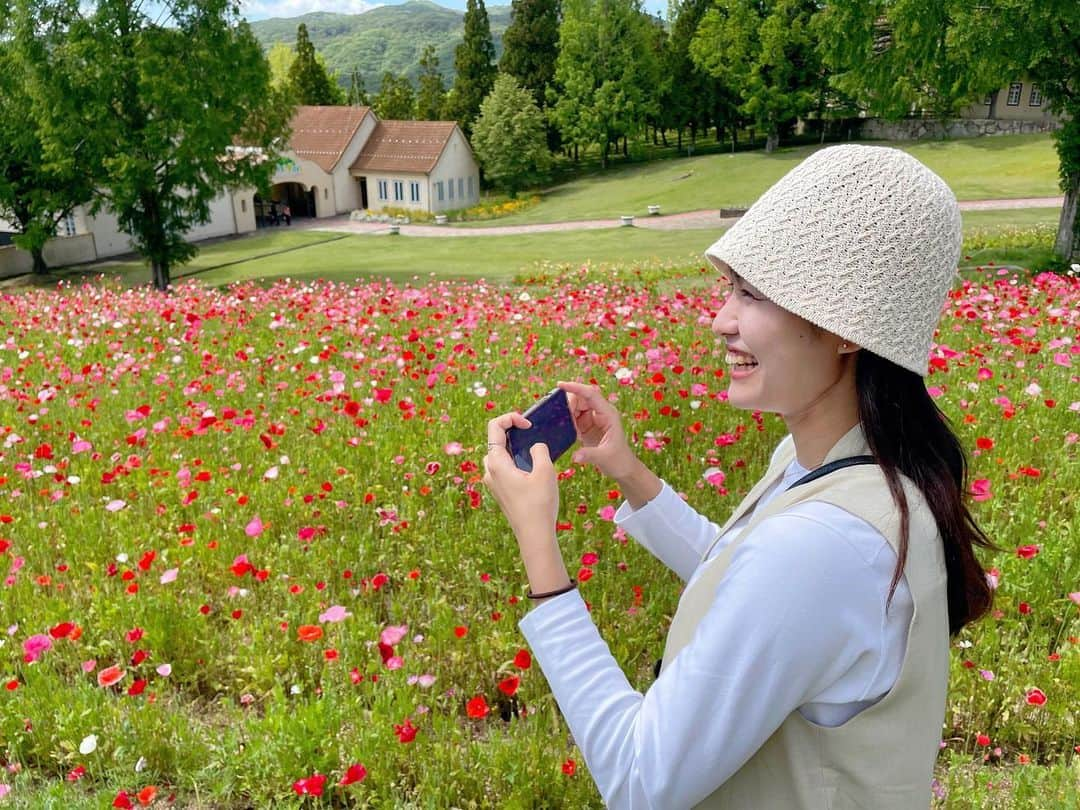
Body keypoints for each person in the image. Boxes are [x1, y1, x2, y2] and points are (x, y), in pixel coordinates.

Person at [482, 145, 995, 809]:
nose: (721, 320)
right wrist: (629, 473)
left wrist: (538, 549)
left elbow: (640, 779)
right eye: (730, 289)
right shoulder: (853, 465)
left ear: (845, 329)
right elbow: (751, 582)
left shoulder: (826, 543)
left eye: (753, 293)